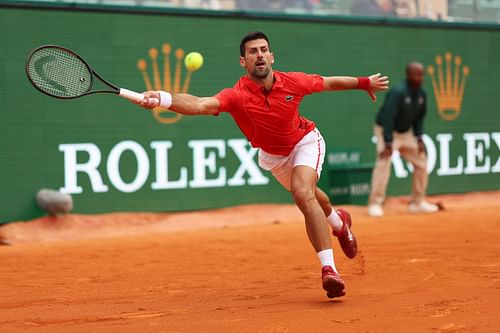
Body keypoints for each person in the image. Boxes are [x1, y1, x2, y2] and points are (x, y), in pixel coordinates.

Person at [135, 31, 389, 298]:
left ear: (271, 56)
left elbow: (329, 82)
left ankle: (329, 270)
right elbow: (199, 104)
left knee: (303, 193)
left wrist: (363, 83)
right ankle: (339, 223)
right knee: (312, 196)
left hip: (305, 141)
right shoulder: (236, 95)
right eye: (253, 51)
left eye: (263, 49)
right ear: (243, 61)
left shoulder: (293, 82)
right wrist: (162, 99)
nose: (259, 54)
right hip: (274, 157)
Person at [367, 62, 439, 217]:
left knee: (421, 161)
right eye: (416, 74)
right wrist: (387, 142)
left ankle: (417, 203)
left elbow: (419, 119)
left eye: (421, 74)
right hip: (387, 130)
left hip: (406, 133)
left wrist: (419, 139)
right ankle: (375, 203)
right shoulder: (398, 92)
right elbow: (387, 117)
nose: (419, 77)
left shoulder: (421, 94)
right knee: (384, 162)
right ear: (408, 75)